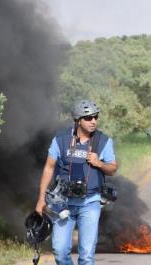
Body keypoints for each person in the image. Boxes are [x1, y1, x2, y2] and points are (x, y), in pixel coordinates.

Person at [35, 99, 117, 265]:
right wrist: (41, 199)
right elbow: (49, 168)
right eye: (88, 118)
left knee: (86, 255)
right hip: (63, 203)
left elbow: (113, 169)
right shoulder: (61, 140)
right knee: (59, 251)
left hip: (90, 202)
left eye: (96, 117)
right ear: (78, 120)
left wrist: (99, 163)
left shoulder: (103, 141)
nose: (93, 121)